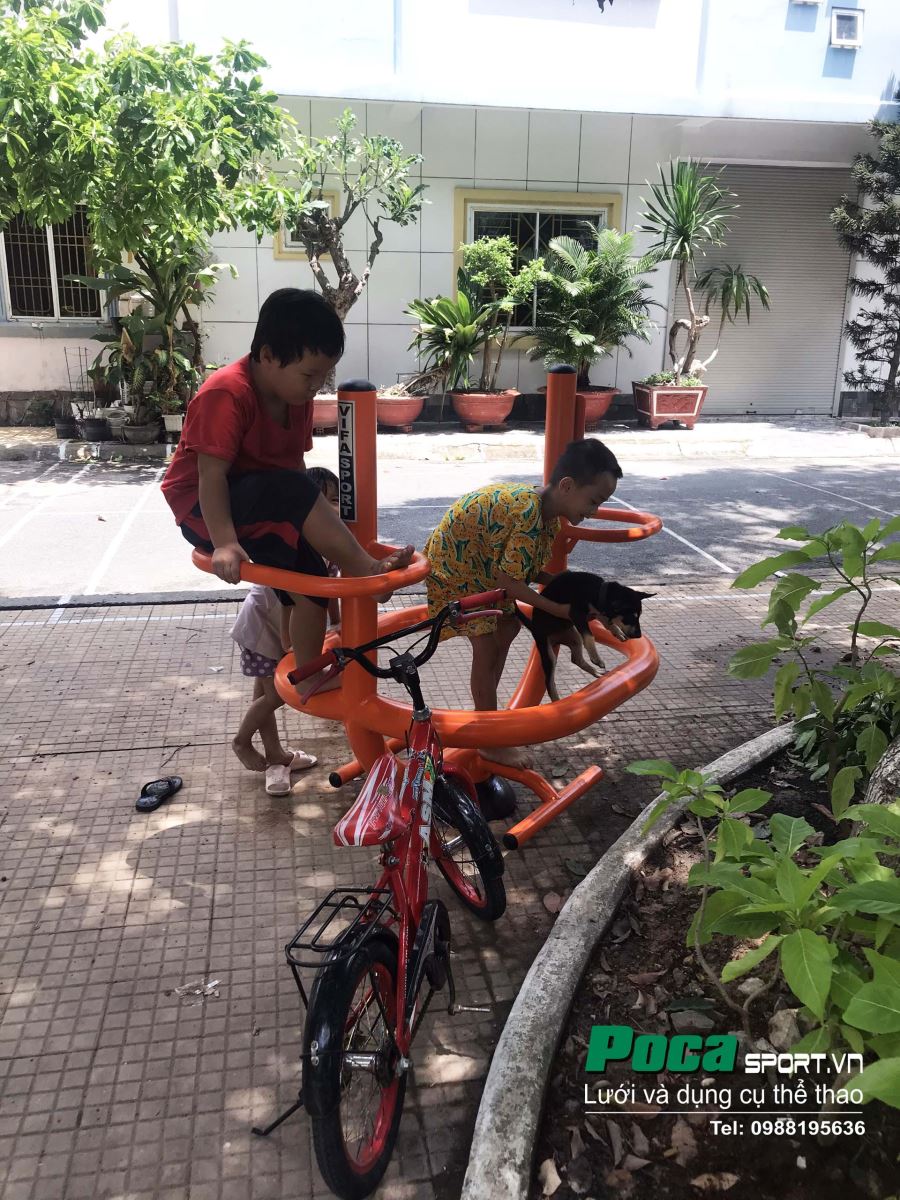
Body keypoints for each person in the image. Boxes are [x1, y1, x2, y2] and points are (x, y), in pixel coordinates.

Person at [161, 289, 413, 694]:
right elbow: (211, 476)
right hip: (204, 509)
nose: (316, 386)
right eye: (309, 375)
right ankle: (365, 568)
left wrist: (310, 532)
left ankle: (308, 675)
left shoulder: (295, 398)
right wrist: (224, 543)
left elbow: (293, 467)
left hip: (263, 506)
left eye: (323, 376)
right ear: (267, 356)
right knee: (294, 490)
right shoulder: (226, 393)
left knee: (311, 580)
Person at [424, 438, 622, 766]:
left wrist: (567, 587)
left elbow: (523, 567)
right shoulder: (530, 515)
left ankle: (488, 715)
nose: (594, 512)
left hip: (481, 564)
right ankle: (488, 739)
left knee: (509, 626)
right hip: (456, 567)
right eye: (594, 500)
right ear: (567, 486)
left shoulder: (546, 516)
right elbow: (509, 581)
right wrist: (559, 609)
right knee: (485, 646)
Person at [229, 584, 317, 795]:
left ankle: (274, 753)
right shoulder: (317, 563)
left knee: (264, 692)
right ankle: (241, 741)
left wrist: (337, 621)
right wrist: (287, 640)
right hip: (263, 627)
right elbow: (288, 591)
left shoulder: (331, 566)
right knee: (276, 695)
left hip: (269, 620)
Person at [305, 465, 342, 628]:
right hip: (264, 619)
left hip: (298, 621)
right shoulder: (297, 544)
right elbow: (287, 603)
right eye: (318, 502)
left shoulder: (334, 547)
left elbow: (331, 587)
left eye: (334, 500)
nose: (328, 509)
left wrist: (336, 622)